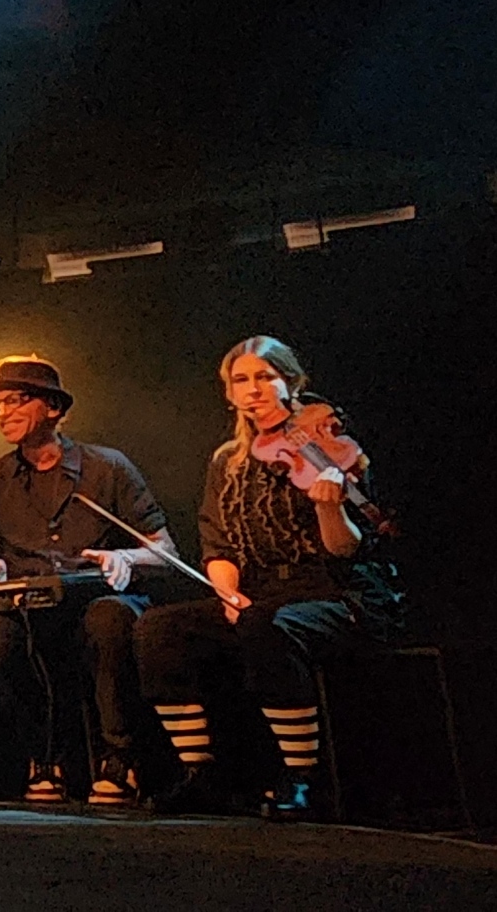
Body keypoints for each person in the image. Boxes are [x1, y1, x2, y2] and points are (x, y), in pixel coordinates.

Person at [135, 337, 401, 819]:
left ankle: (302, 778)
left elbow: (346, 549)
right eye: (242, 380)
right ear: (229, 394)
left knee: (265, 625)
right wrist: (228, 592)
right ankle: (203, 773)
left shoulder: (329, 445)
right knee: (160, 629)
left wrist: (329, 508)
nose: (253, 389)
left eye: (265, 377)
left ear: (290, 382)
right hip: (263, 592)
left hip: (338, 593)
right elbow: (217, 542)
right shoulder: (226, 461)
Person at [0, 354, 180, 805]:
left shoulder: (108, 467)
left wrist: (126, 557)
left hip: (97, 597)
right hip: (30, 604)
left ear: (54, 408)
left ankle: (118, 759)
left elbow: (166, 552)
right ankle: (46, 758)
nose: (3, 413)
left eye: (16, 400)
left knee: (108, 621)